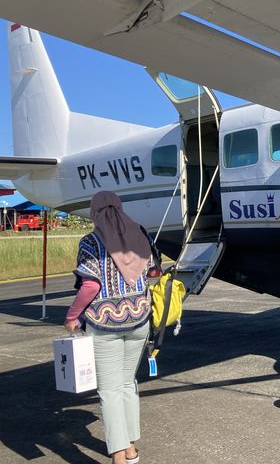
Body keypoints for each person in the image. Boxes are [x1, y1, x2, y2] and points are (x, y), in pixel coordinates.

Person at [64, 191, 156, 464]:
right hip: (140, 319)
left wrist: (72, 316)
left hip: (105, 324)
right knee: (128, 383)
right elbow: (153, 271)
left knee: (110, 390)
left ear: (94, 213)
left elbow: (90, 286)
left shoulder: (90, 241)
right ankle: (129, 448)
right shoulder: (140, 234)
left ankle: (117, 455)